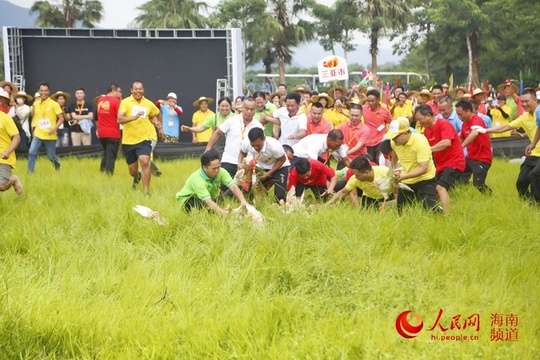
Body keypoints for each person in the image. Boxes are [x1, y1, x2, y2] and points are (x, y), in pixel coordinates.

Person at [482, 89, 539, 203]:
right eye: (522, 102)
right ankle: (526, 203)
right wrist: (484, 130)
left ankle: (535, 203)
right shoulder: (524, 117)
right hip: (532, 153)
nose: (523, 104)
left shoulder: (539, 112)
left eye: (526, 101)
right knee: (521, 182)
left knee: (535, 176)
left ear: (535, 100)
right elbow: (505, 127)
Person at [415, 105, 466, 213]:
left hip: (454, 162)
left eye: (420, 119)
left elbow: (446, 142)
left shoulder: (444, 124)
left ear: (428, 115)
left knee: (440, 187)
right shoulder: (427, 131)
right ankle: (435, 212)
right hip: (440, 165)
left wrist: (428, 150)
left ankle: (447, 217)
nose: (419, 123)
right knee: (432, 190)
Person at [117, 81, 163, 194]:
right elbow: (119, 119)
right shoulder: (125, 102)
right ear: (131, 90)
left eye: (140, 89)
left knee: (144, 161)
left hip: (145, 138)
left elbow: (155, 114)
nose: (138, 91)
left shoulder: (148, 103)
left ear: (143, 90)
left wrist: (160, 127)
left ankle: (146, 191)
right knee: (132, 171)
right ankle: (137, 176)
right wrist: (132, 118)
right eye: (136, 89)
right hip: (129, 140)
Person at [386, 117, 439, 212]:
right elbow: (395, 153)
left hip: (425, 179)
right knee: (402, 211)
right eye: (392, 137)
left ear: (405, 133)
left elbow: (423, 168)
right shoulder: (394, 142)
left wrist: (403, 176)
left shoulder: (420, 141)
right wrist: (391, 170)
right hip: (407, 181)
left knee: (429, 209)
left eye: (395, 137)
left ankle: (442, 216)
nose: (393, 140)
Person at [175, 148, 249, 215]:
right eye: (213, 169)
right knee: (200, 209)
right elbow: (207, 201)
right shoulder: (197, 180)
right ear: (204, 168)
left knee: (222, 199)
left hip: (205, 199)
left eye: (218, 167)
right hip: (188, 200)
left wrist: (243, 201)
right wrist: (223, 213)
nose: (217, 171)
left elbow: (233, 187)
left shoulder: (221, 172)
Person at [204, 97, 263, 179]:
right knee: (225, 189)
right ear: (242, 108)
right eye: (246, 109)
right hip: (229, 160)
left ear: (255, 110)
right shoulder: (232, 120)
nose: (249, 112)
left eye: (252, 109)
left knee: (245, 191)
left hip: (247, 164)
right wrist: (208, 148)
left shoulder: (258, 126)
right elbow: (217, 133)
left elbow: (261, 146)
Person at [238, 127, 290, 202]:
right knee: (252, 193)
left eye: (258, 145)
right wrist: (239, 163)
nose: (255, 148)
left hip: (280, 167)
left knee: (280, 196)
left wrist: (269, 173)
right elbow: (242, 153)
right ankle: (263, 202)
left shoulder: (274, 146)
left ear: (264, 139)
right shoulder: (247, 143)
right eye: (253, 145)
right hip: (261, 167)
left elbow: (282, 159)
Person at [455, 100, 492, 194]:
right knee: (456, 175)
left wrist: (461, 147)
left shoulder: (477, 120)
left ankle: (491, 197)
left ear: (468, 111)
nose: (459, 117)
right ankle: (461, 195)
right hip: (470, 158)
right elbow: (461, 139)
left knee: (478, 184)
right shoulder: (464, 124)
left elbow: (474, 133)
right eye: (457, 115)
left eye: (461, 114)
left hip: (482, 159)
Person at [28, 82, 65, 173]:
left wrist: (55, 128)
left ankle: (57, 166)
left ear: (49, 91)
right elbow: (33, 116)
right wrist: (34, 129)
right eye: (41, 90)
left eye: (45, 91)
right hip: (38, 133)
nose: (43, 93)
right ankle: (30, 172)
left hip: (50, 134)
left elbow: (61, 118)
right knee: (32, 152)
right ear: (38, 91)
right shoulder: (36, 104)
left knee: (50, 156)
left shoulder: (54, 104)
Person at [96, 83, 122, 175]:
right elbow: (121, 116)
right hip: (112, 133)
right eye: (119, 92)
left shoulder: (100, 100)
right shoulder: (116, 102)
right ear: (113, 91)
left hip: (101, 133)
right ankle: (109, 174)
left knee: (106, 152)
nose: (120, 94)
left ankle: (102, 170)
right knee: (111, 156)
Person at [362, 89, 393, 163]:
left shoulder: (385, 112)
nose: (370, 103)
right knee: (370, 162)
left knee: (380, 160)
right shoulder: (364, 108)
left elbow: (391, 123)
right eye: (368, 101)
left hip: (380, 140)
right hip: (368, 141)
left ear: (378, 100)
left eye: (372, 101)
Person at [0, 107, 23, 195]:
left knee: (1, 186)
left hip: (3, 157)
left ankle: (13, 179)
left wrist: (7, 152)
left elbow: (16, 137)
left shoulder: (5, 118)